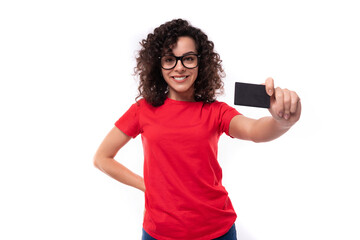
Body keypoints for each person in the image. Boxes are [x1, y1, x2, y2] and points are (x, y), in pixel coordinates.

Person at [93, 19, 301, 240]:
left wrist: (283, 121)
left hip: (217, 231)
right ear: (158, 64)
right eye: (170, 59)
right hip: (159, 233)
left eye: (188, 59)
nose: (179, 67)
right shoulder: (142, 110)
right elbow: (102, 158)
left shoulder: (215, 111)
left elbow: (255, 131)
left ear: (201, 64)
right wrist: (147, 186)